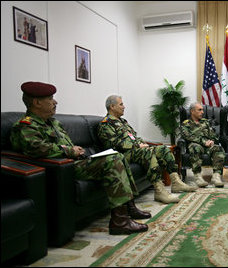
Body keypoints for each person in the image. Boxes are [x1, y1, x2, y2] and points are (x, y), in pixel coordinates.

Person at [10, 82, 149, 235]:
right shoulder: (26, 125)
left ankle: (129, 208)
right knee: (113, 160)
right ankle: (120, 222)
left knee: (118, 156)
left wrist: (77, 151)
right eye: (50, 99)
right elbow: (36, 148)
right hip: (64, 168)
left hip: (77, 161)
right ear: (37, 102)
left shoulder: (53, 122)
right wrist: (70, 151)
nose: (55, 102)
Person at [97, 95, 197, 204]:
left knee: (163, 149)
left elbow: (133, 136)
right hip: (121, 156)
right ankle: (159, 191)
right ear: (112, 106)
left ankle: (176, 182)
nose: (124, 107)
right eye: (121, 104)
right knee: (148, 153)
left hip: (136, 151)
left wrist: (142, 142)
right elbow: (112, 144)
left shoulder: (122, 122)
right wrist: (137, 146)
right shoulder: (106, 124)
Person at [179, 102, 225, 188]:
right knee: (195, 147)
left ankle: (216, 176)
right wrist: (204, 142)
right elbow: (188, 137)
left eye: (202, 110)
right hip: (195, 145)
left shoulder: (205, 122)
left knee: (218, 148)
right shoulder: (186, 124)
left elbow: (213, 135)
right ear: (192, 111)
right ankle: (198, 176)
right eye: (199, 110)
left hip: (207, 146)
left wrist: (212, 141)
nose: (202, 112)